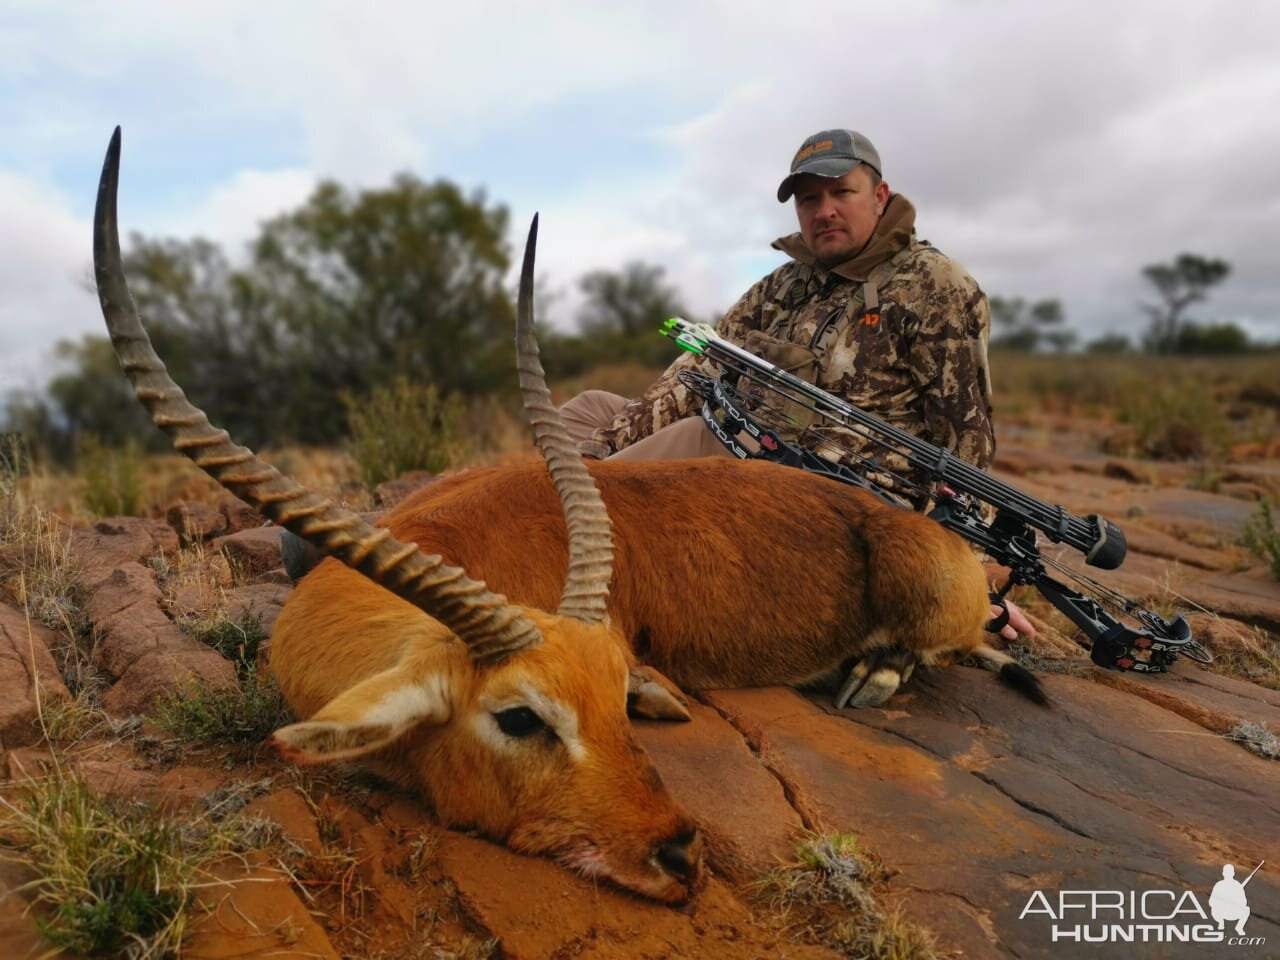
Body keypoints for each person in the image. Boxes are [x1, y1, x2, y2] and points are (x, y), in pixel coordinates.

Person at [561, 128, 1034, 643]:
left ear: (879, 196)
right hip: (742, 445)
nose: (823, 210)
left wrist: (962, 577)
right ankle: (556, 512)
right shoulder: (781, 286)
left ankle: (557, 566)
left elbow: (965, 441)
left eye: (841, 193)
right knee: (589, 411)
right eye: (809, 199)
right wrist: (598, 448)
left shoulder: (937, 285)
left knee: (686, 441)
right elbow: (699, 369)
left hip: (837, 504)